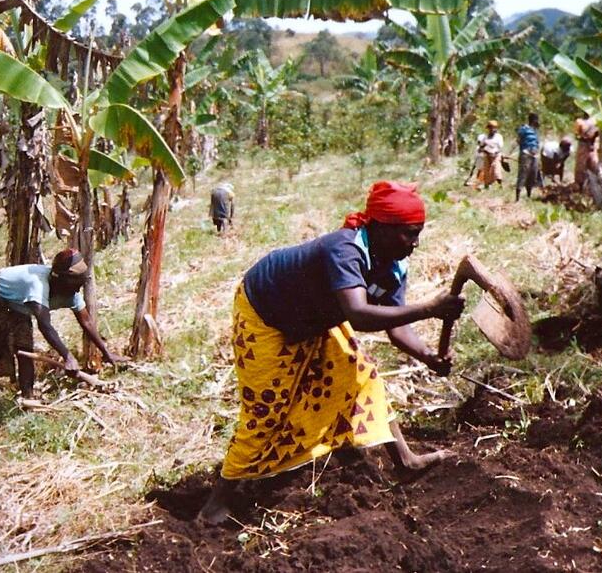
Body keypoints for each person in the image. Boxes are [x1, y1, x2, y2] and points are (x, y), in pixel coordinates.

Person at [198, 181, 465, 526]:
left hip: (314, 318)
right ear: (380, 227)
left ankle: (405, 462)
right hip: (266, 315)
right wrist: (430, 308)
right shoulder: (346, 249)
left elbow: (397, 330)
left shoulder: (394, 262)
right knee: (267, 411)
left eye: (418, 234)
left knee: (362, 377)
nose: (414, 244)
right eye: (408, 234)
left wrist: (428, 355)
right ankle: (214, 504)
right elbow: (359, 314)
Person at [0, 249, 123, 399]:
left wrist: (106, 353)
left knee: (25, 349)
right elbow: (45, 325)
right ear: (59, 278)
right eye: (76, 282)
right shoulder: (37, 285)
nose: (78, 288)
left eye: (80, 283)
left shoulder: (70, 291)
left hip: (17, 305)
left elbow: (86, 321)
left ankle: (27, 396)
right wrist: (68, 356)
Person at [515, 112, 543, 200]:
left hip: (534, 155)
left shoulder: (535, 131)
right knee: (523, 175)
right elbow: (518, 141)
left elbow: (537, 143)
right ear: (534, 120)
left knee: (533, 175)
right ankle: (517, 198)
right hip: (526, 154)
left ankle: (528, 196)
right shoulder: (524, 129)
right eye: (537, 120)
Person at [573, 115, 601, 188]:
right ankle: (581, 185)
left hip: (589, 145)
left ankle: (585, 185)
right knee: (584, 166)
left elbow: (577, 134)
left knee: (587, 165)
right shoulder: (584, 122)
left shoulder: (590, 121)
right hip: (587, 145)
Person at [475, 120, 504, 189]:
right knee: (487, 171)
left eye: (494, 128)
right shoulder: (485, 137)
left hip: (496, 156)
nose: (492, 129)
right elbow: (481, 147)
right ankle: (487, 186)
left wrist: (494, 152)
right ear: (488, 128)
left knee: (496, 170)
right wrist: (481, 148)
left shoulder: (498, 137)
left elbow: (500, 147)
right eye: (490, 128)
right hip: (487, 156)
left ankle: (500, 185)